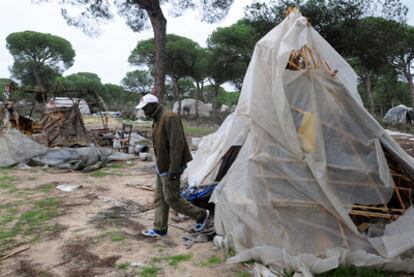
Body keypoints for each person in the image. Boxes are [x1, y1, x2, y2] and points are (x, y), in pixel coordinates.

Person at [136, 93, 209, 237]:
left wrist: (174, 171)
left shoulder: (170, 118)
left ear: (153, 106)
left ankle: (200, 214)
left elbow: (177, 146)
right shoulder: (157, 118)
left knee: (171, 198)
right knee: (160, 198)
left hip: (171, 167)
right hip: (161, 165)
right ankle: (160, 229)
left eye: (145, 108)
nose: (144, 111)